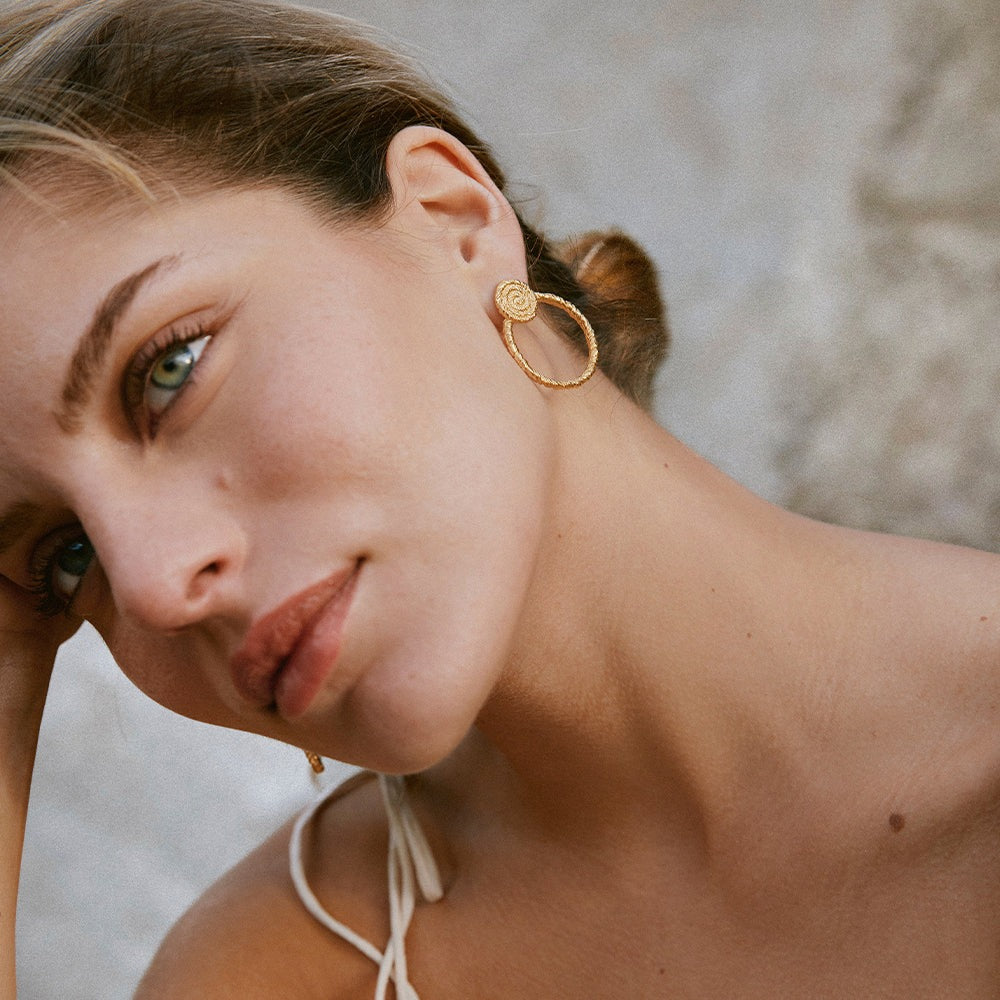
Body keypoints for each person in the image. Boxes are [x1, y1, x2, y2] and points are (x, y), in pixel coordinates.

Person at [2, 0, 999, 997]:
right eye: (66, 555)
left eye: (170, 368)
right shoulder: (265, 978)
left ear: (454, 222)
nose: (152, 583)